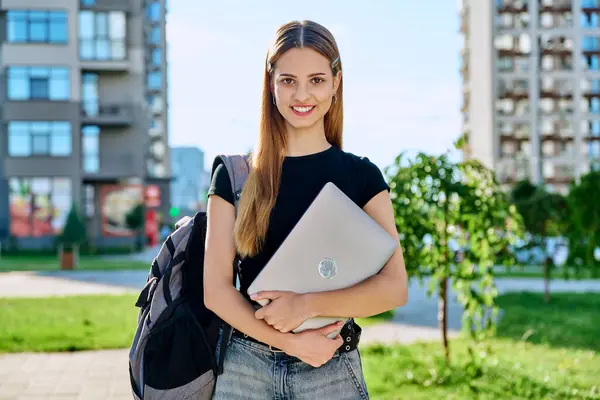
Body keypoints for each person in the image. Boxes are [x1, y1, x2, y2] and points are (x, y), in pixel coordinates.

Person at [204, 20, 408, 399]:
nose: (302, 94)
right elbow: (215, 291)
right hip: (246, 370)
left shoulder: (362, 176)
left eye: (316, 80)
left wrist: (307, 305)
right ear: (270, 84)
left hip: (331, 367)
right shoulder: (235, 174)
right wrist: (291, 343)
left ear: (336, 83)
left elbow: (395, 287)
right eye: (288, 80)